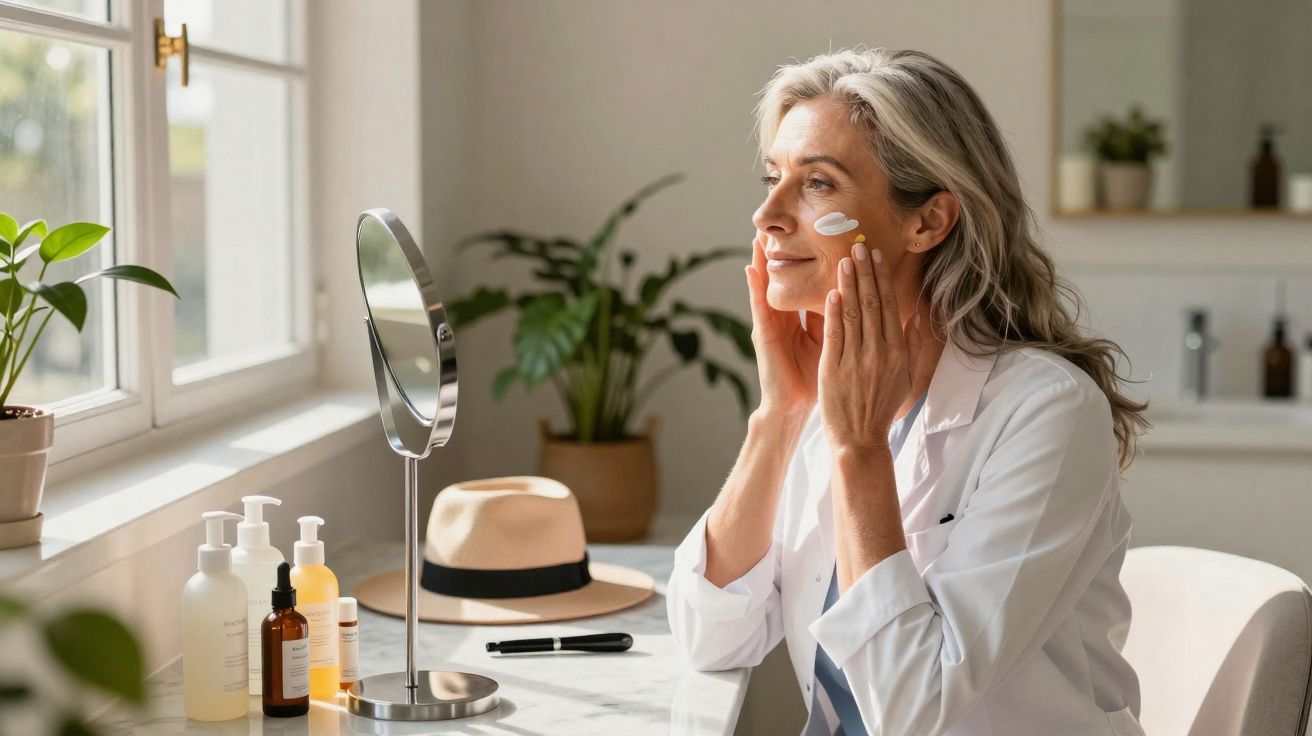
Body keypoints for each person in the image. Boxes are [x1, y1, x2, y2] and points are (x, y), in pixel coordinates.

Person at [666, 47, 1150, 736]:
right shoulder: (825, 399)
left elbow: (912, 708)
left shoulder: (1046, 412)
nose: (767, 215)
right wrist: (781, 414)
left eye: (818, 185)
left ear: (927, 221)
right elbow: (709, 638)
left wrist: (859, 450)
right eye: (773, 178)